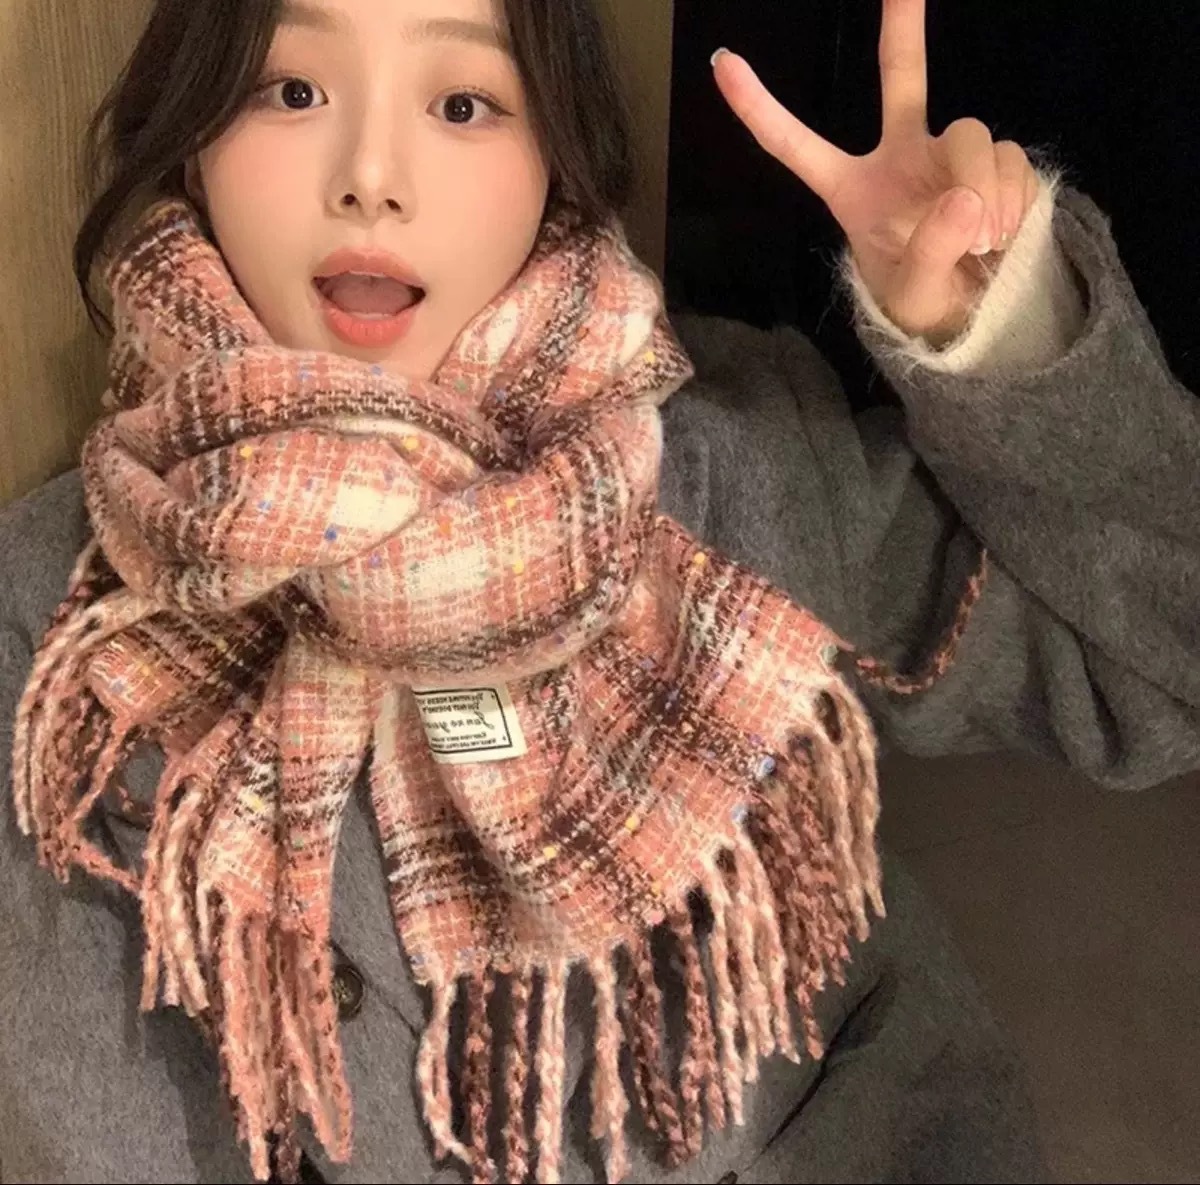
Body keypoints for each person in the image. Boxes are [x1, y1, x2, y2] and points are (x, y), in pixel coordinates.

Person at [1, 0, 1197, 1182]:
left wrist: (1004, 341)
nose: (371, 178)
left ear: (554, 161)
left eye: (463, 102)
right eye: (293, 90)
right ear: (194, 138)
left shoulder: (730, 474)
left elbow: (1154, 675)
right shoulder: (64, 627)